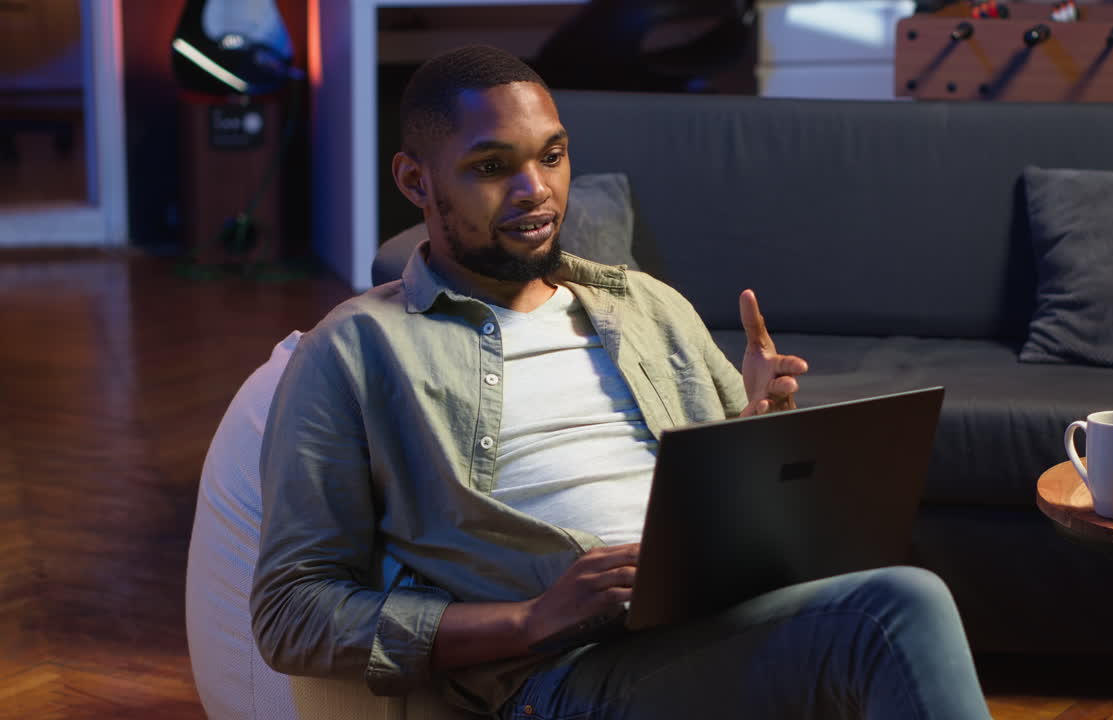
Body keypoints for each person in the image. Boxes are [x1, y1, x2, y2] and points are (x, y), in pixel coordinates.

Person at [251, 45, 991, 720]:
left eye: (552, 155)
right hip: (559, 676)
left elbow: (719, 510)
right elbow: (291, 612)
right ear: (416, 180)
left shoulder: (648, 306)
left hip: (709, 628)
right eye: (491, 167)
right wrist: (533, 617)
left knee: (894, 581)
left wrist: (762, 429)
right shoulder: (354, 350)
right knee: (893, 611)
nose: (535, 191)